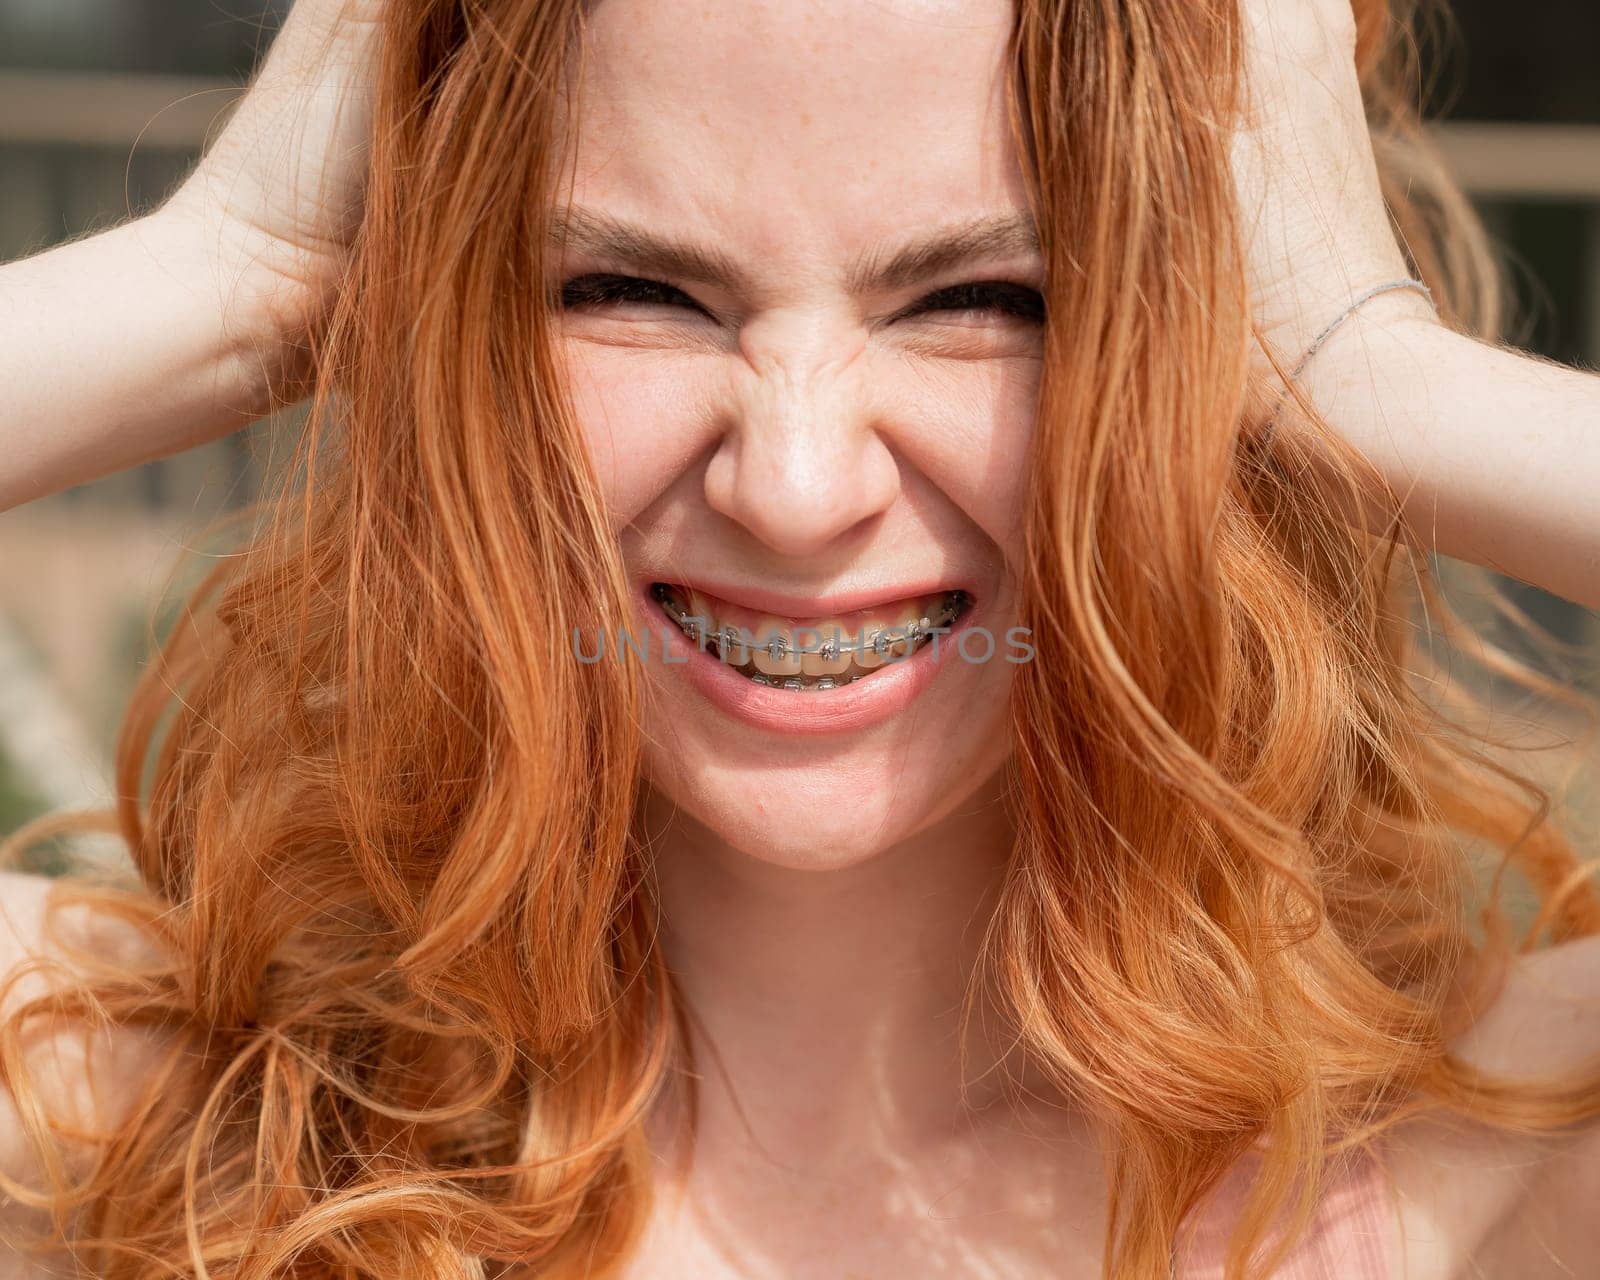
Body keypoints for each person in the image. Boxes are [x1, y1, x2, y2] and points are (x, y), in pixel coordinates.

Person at [1, 0, 1597, 1276]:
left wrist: (1375, 377)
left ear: (1202, 342)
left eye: (988, 296)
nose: (794, 484)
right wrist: (239, 279)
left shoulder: (1470, 1174)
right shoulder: (158, 1141)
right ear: (463, 329)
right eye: (631, 286)